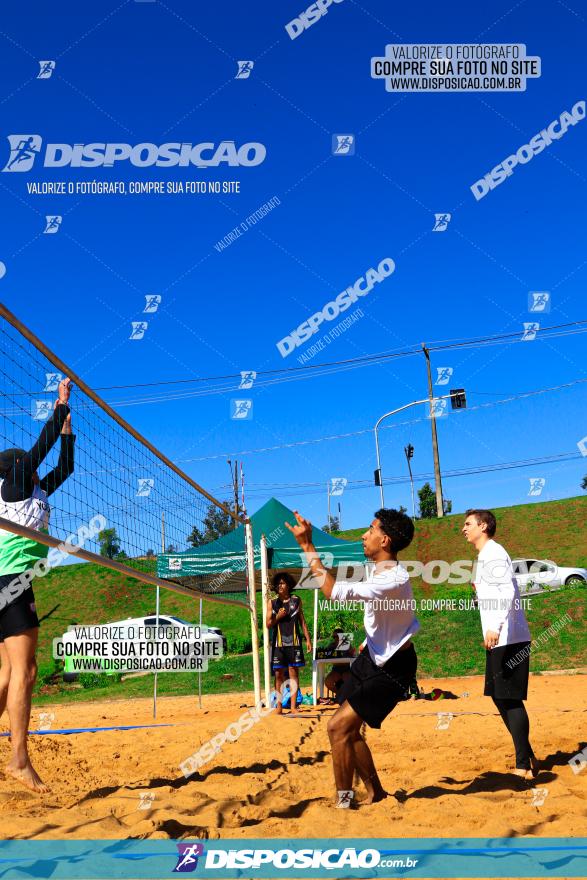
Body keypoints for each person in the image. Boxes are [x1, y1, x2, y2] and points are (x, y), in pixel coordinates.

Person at [286, 508, 419, 808]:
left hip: (393, 668)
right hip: (372, 656)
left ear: (384, 540)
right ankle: (376, 793)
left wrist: (308, 546)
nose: (363, 534)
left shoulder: (392, 579)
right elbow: (384, 617)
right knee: (342, 712)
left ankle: (344, 802)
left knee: (337, 727)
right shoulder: (380, 570)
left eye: (370, 530)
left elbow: (332, 591)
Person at [0, 377, 74, 793]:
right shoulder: (10, 488)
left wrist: (67, 430)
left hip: (6, 583)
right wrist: (59, 405)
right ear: (15, 470)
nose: (30, 465)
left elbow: (65, 466)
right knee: (26, 672)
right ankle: (19, 761)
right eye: (23, 462)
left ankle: (14, 758)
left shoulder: (35, 491)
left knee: (10, 673)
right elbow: (39, 450)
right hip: (12, 582)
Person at [463, 509, 538, 779]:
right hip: (500, 637)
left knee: (509, 696)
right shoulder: (484, 557)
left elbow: (506, 591)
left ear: (483, 526)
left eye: (468, 524)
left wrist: (494, 626)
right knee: (499, 695)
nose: (464, 529)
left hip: (508, 637)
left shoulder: (493, 553)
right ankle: (526, 753)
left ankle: (523, 765)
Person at [265, 571, 312, 715]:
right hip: (279, 644)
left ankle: (293, 707)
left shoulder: (296, 600)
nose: (280, 586)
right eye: (278, 583)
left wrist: (308, 640)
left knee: (293, 673)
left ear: (288, 585)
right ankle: (279, 706)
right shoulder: (272, 603)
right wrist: (278, 616)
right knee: (278, 674)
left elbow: (302, 622)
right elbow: (268, 624)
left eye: (283, 583)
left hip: (294, 643)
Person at [323, 628, 355, 703]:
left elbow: (353, 655)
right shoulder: (332, 646)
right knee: (328, 681)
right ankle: (340, 695)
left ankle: (346, 696)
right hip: (336, 669)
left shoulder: (347, 644)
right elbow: (325, 654)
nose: (335, 638)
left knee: (347, 678)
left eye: (337, 636)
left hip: (347, 669)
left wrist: (351, 651)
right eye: (334, 637)